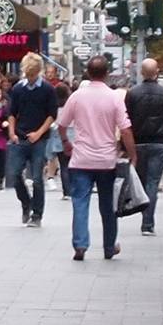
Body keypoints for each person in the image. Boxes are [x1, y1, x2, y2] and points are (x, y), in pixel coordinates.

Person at [57, 55, 135, 260]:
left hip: (81, 159)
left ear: (88, 73)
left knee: (80, 202)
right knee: (108, 205)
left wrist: (66, 142)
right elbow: (126, 130)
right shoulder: (114, 97)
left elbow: (62, 124)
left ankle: (80, 245)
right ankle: (109, 246)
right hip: (106, 160)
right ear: (107, 73)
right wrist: (132, 155)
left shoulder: (77, 96)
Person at [5, 52, 60, 227]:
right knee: (14, 174)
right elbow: (12, 113)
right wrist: (12, 133)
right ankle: (26, 202)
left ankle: (37, 215)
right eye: (28, 74)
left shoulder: (47, 89)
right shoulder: (18, 89)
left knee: (37, 178)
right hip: (20, 137)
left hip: (40, 138)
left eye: (33, 74)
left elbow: (52, 115)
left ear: (38, 71)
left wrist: (39, 132)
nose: (30, 78)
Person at [123, 58, 163, 236]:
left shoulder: (132, 94)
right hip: (158, 142)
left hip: (137, 142)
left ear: (141, 73)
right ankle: (148, 223)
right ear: (157, 72)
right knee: (152, 183)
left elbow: (126, 120)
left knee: (141, 180)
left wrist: (124, 144)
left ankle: (142, 212)